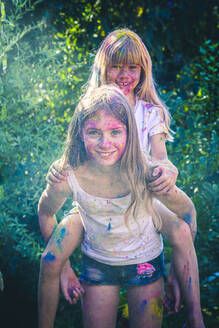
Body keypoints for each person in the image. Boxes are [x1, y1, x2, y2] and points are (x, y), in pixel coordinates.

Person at [46, 28, 197, 312]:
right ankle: (64, 271)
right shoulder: (90, 106)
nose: (124, 74)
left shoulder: (150, 111)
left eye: (132, 67)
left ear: (143, 70)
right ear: (103, 69)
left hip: (138, 198)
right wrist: (59, 170)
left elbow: (161, 157)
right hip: (94, 199)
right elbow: (76, 150)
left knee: (182, 228)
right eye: (115, 67)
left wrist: (168, 170)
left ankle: (191, 305)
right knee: (53, 254)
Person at [38, 86, 205, 328]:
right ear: (79, 134)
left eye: (115, 132)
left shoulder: (148, 174)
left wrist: (180, 275)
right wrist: (64, 269)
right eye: (94, 132)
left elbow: (188, 213)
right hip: (98, 266)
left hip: (144, 265)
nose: (105, 143)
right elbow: (46, 212)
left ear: (130, 133)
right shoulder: (69, 175)